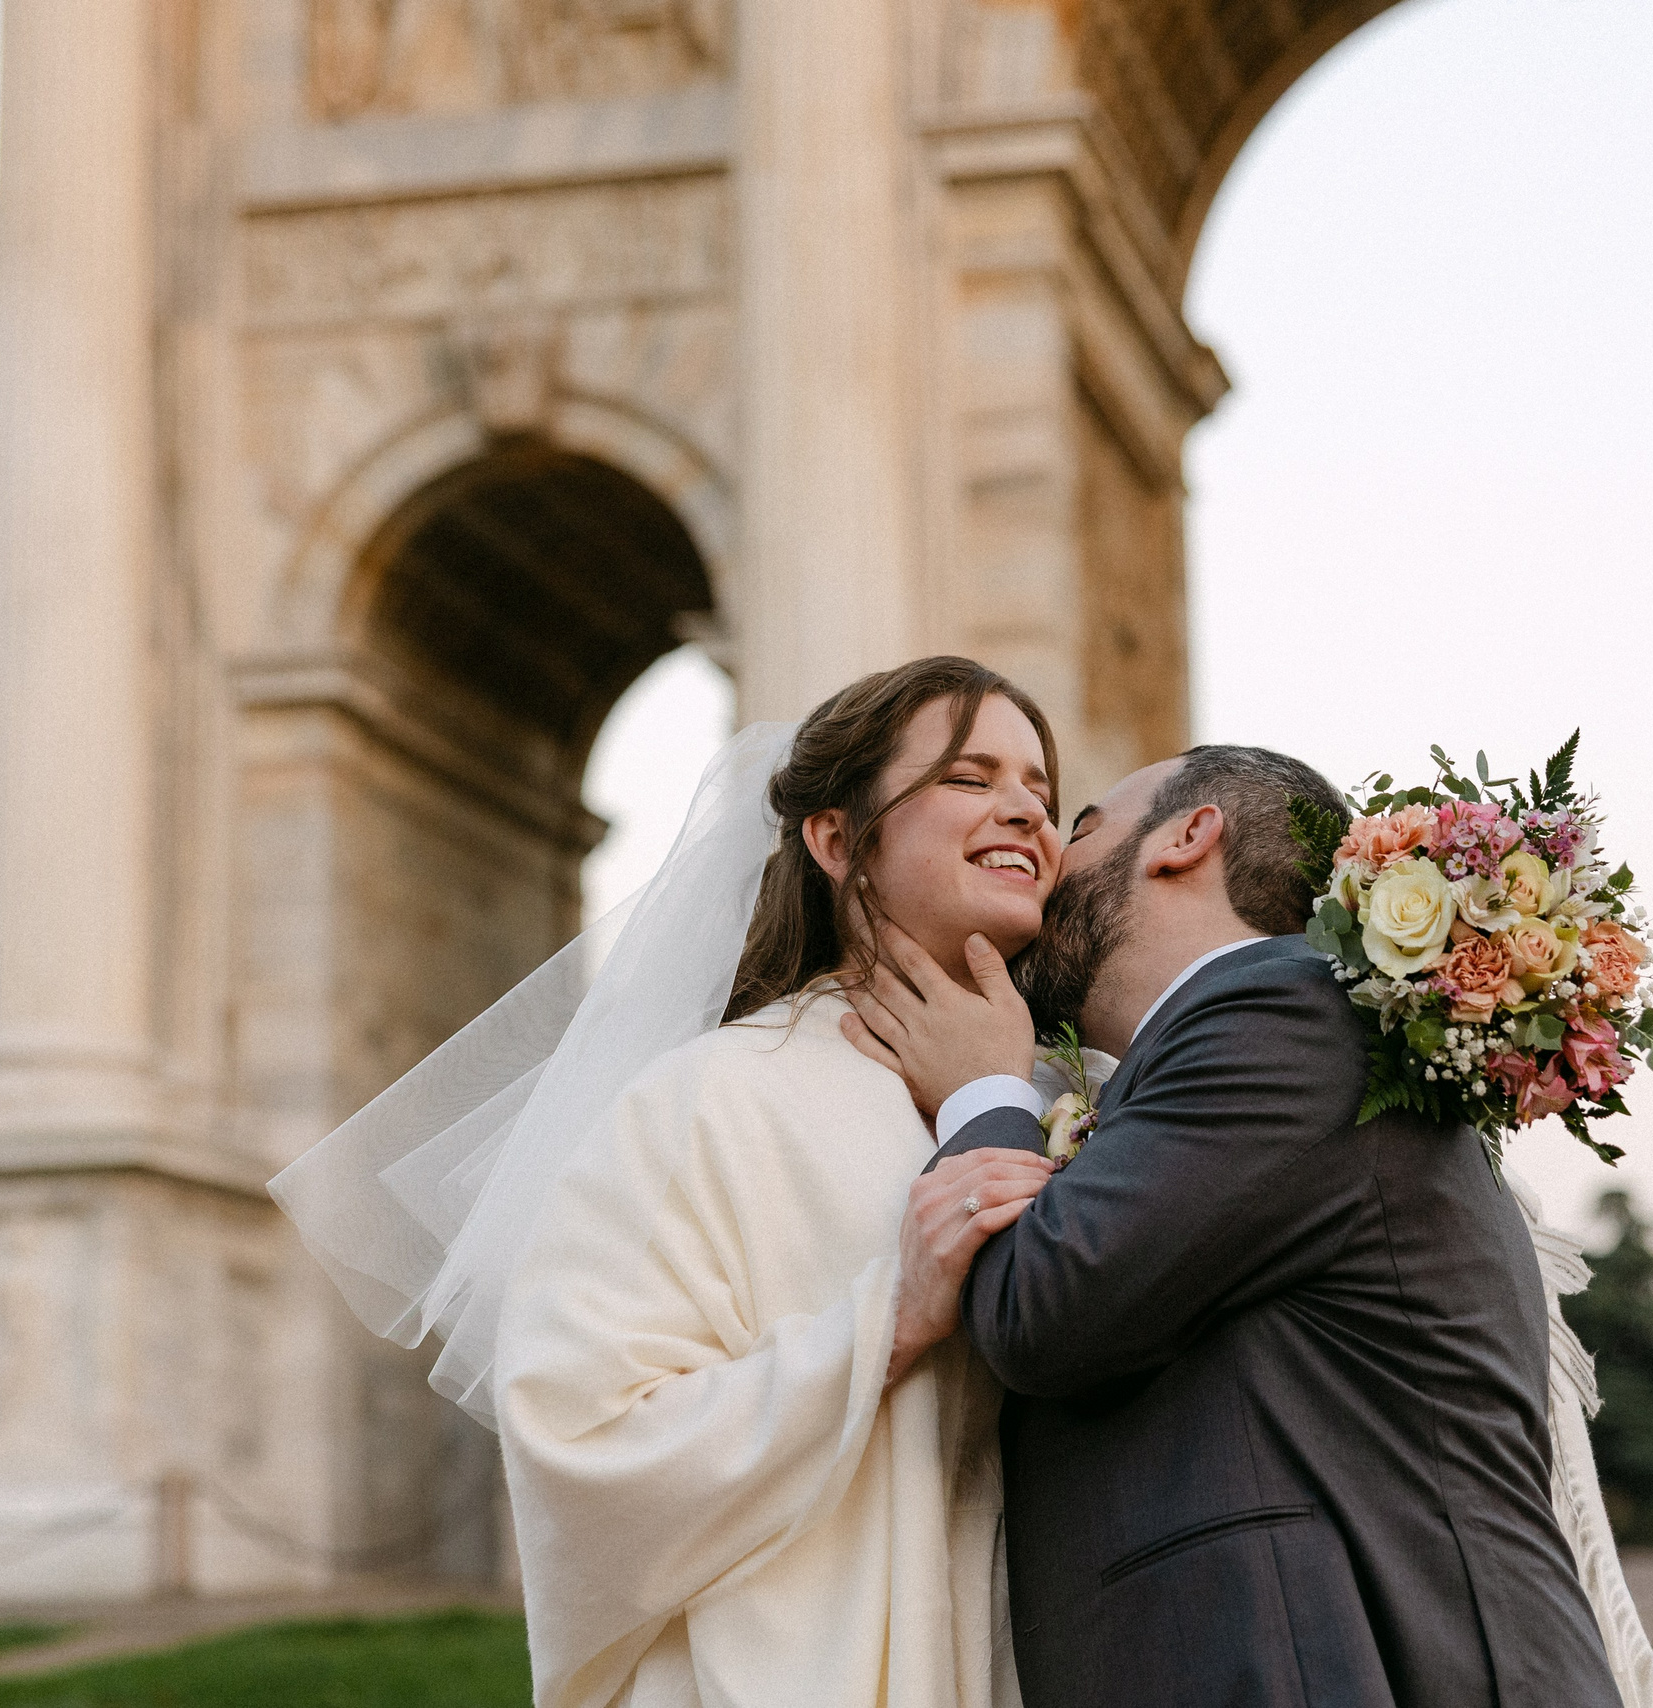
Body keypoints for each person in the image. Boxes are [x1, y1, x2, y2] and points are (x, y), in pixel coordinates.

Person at [273, 655, 1067, 1708]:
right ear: (836, 839)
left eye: (1042, 791)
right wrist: (889, 1320)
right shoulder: (704, 1100)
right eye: (969, 778)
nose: (1023, 809)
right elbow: (582, 1433)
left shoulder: (1075, 1094)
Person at [845, 745, 1653, 1708]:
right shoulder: (1230, 1055)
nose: (1047, 859)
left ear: (1187, 838)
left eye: (1080, 828)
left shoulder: (1285, 1013)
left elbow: (1045, 1306)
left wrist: (980, 1092)